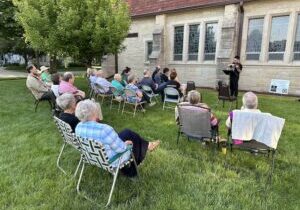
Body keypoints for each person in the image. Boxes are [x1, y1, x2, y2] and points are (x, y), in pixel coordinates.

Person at [75, 99, 160, 177]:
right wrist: (126, 144)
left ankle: (148, 145)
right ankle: (132, 172)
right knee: (133, 141)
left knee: (127, 132)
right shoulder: (104, 129)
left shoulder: (78, 127)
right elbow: (121, 149)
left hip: (93, 157)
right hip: (112, 160)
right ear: (93, 112)